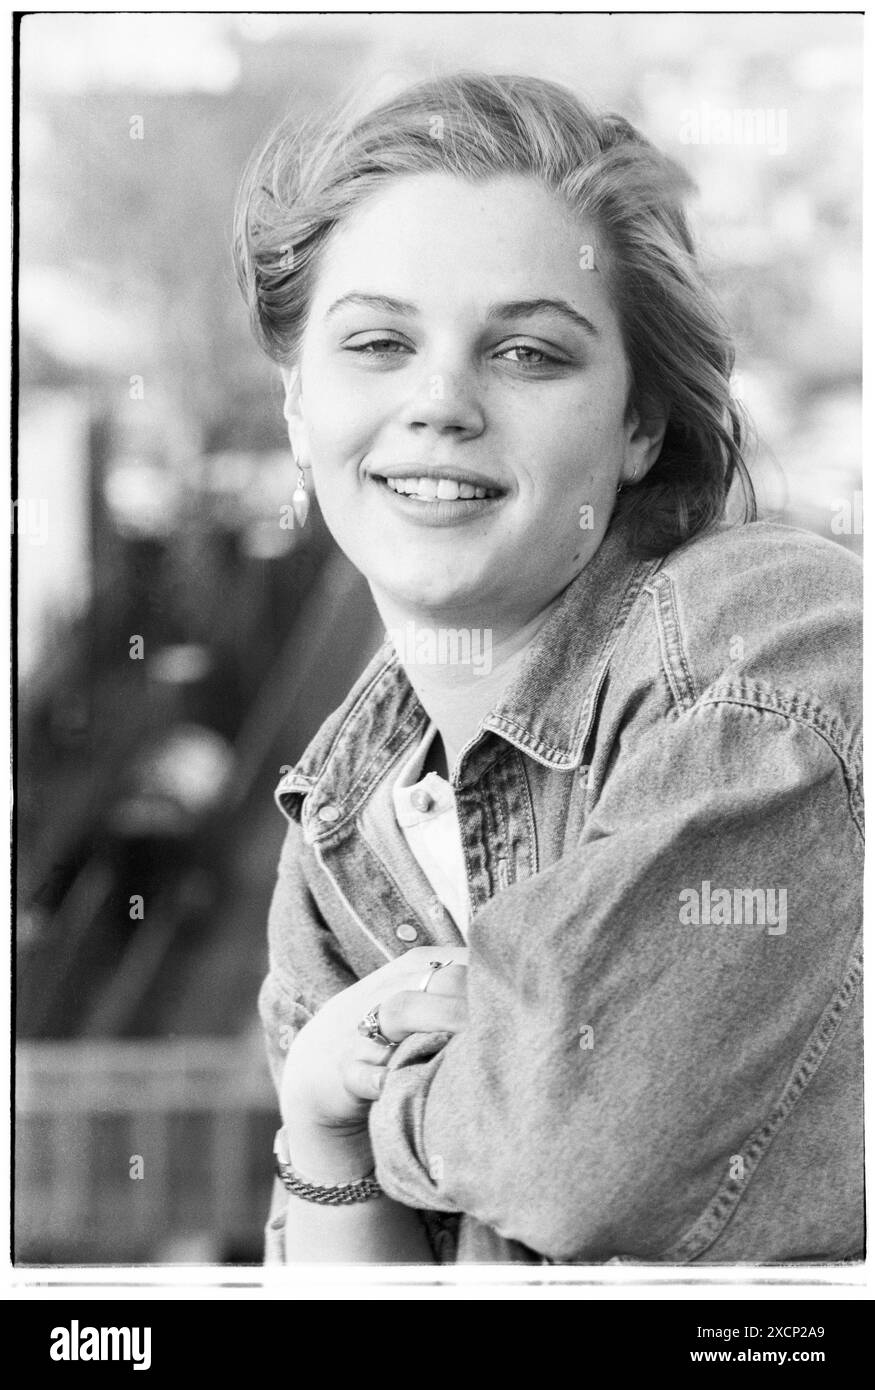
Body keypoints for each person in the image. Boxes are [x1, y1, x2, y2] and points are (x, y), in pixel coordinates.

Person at [233, 72, 863, 1265]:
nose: (439, 402)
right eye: (376, 342)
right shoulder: (338, 831)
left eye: (526, 353)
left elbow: (577, 1148)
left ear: (638, 426)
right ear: (297, 407)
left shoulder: (770, 639)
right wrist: (320, 1138)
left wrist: (356, 1098)